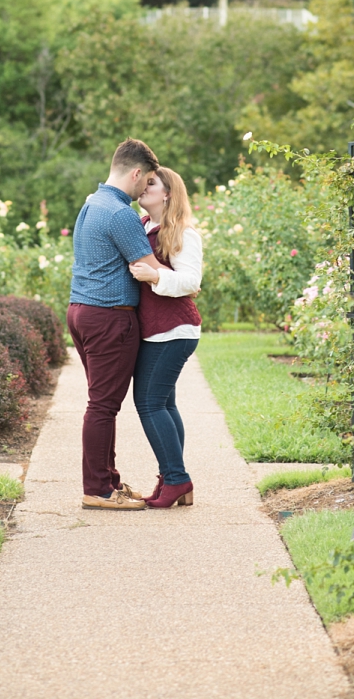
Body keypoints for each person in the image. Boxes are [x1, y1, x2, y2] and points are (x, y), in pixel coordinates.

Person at [67, 139, 163, 511]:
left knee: (101, 404)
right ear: (137, 173)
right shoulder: (120, 213)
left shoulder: (93, 203)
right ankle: (98, 489)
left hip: (81, 310)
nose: (145, 189)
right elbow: (150, 269)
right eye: (148, 180)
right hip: (109, 316)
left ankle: (109, 481)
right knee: (103, 406)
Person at [128, 166, 203, 508]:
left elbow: (190, 282)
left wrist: (154, 275)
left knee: (148, 403)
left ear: (168, 193)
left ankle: (176, 479)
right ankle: (174, 480)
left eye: (152, 183)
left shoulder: (183, 232)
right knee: (164, 404)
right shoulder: (144, 226)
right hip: (158, 331)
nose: (144, 187)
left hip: (174, 330)